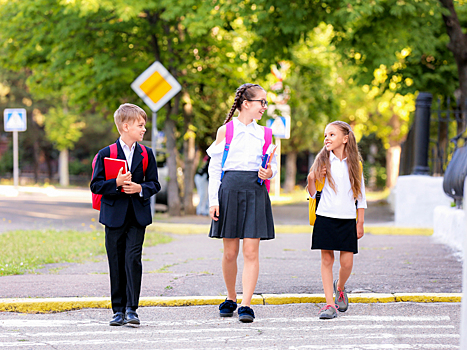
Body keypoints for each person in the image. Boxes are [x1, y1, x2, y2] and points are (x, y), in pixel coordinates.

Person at [207, 83, 277, 323]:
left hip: (255, 191)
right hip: (229, 191)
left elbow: (271, 165)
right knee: (230, 252)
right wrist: (213, 201)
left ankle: (246, 304)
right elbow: (215, 169)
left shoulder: (265, 133)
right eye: (262, 102)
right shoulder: (225, 131)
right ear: (246, 104)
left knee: (250, 250)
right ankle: (231, 297)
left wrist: (269, 173)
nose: (264, 107)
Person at [90, 103, 161, 326]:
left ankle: (132, 309)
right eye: (140, 125)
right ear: (125, 126)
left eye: (145, 126)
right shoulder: (106, 154)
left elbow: (155, 184)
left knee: (133, 259)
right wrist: (116, 183)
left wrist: (141, 188)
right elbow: (96, 185)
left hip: (137, 216)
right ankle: (117, 310)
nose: (144, 130)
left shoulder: (147, 154)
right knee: (116, 261)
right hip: (113, 216)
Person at [307, 121, 366, 320]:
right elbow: (313, 194)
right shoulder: (322, 162)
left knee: (347, 262)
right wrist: (312, 179)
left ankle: (339, 287)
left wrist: (360, 221)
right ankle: (330, 304)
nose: (327, 138)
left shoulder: (355, 164)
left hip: (348, 219)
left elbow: (361, 196)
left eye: (332, 134)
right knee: (326, 260)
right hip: (325, 217)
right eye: (325, 135)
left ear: (345, 138)